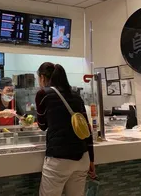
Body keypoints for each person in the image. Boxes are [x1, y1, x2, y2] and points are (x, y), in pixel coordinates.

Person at [35, 62, 96, 196]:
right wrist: (91, 159)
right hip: (82, 158)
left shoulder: (42, 94)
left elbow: (42, 126)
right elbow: (87, 130)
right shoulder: (76, 96)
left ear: (42, 78)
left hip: (59, 159)